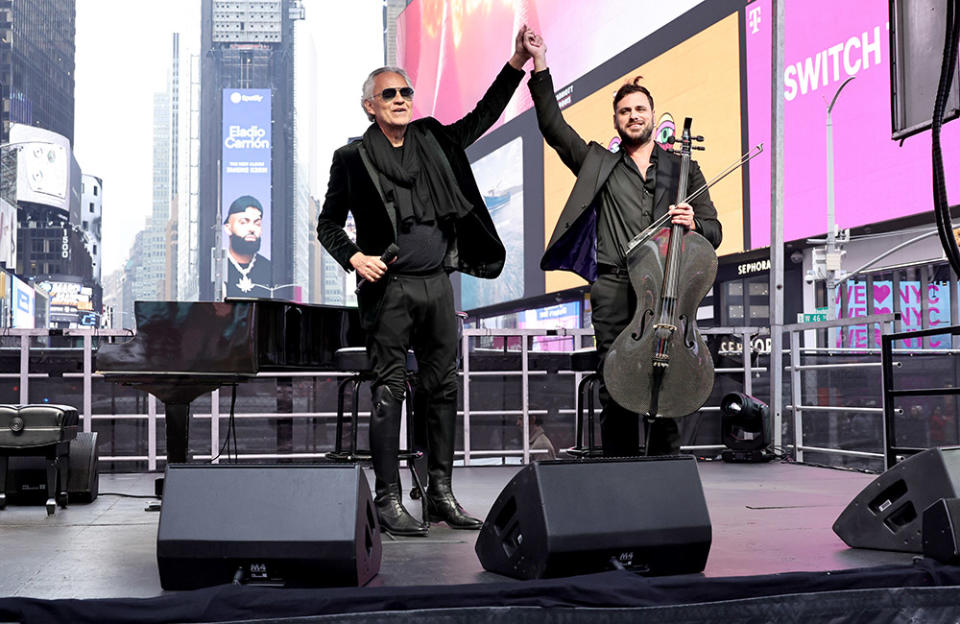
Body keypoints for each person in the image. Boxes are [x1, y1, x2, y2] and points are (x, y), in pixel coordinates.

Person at [316, 28, 534, 536]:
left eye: (405, 92)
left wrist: (516, 62)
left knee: (443, 390)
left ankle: (440, 494)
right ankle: (389, 499)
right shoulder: (351, 158)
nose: (399, 99)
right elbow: (327, 224)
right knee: (389, 391)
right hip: (389, 288)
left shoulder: (434, 137)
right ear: (369, 105)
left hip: (437, 284)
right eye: (388, 94)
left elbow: (484, 115)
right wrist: (354, 257)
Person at [523, 32, 722, 457]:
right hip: (613, 288)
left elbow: (714, 230)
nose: (633, 116)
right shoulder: (599, 163)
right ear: (616, 120)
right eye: (625, 111)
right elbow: (553, 127)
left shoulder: (683, 168)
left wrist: (694, 223)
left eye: (640, 109)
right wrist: (539, 62)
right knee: (616, 386)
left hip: (668, 291)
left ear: (652, 115)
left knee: (666, 384)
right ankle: (621, 476)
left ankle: (666, 478)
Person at [224, 195, 272, 298]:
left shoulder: (271, 270)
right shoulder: (216, 268)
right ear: (228, 228)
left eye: (257, 223)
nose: (251, 229)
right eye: (243, 222)